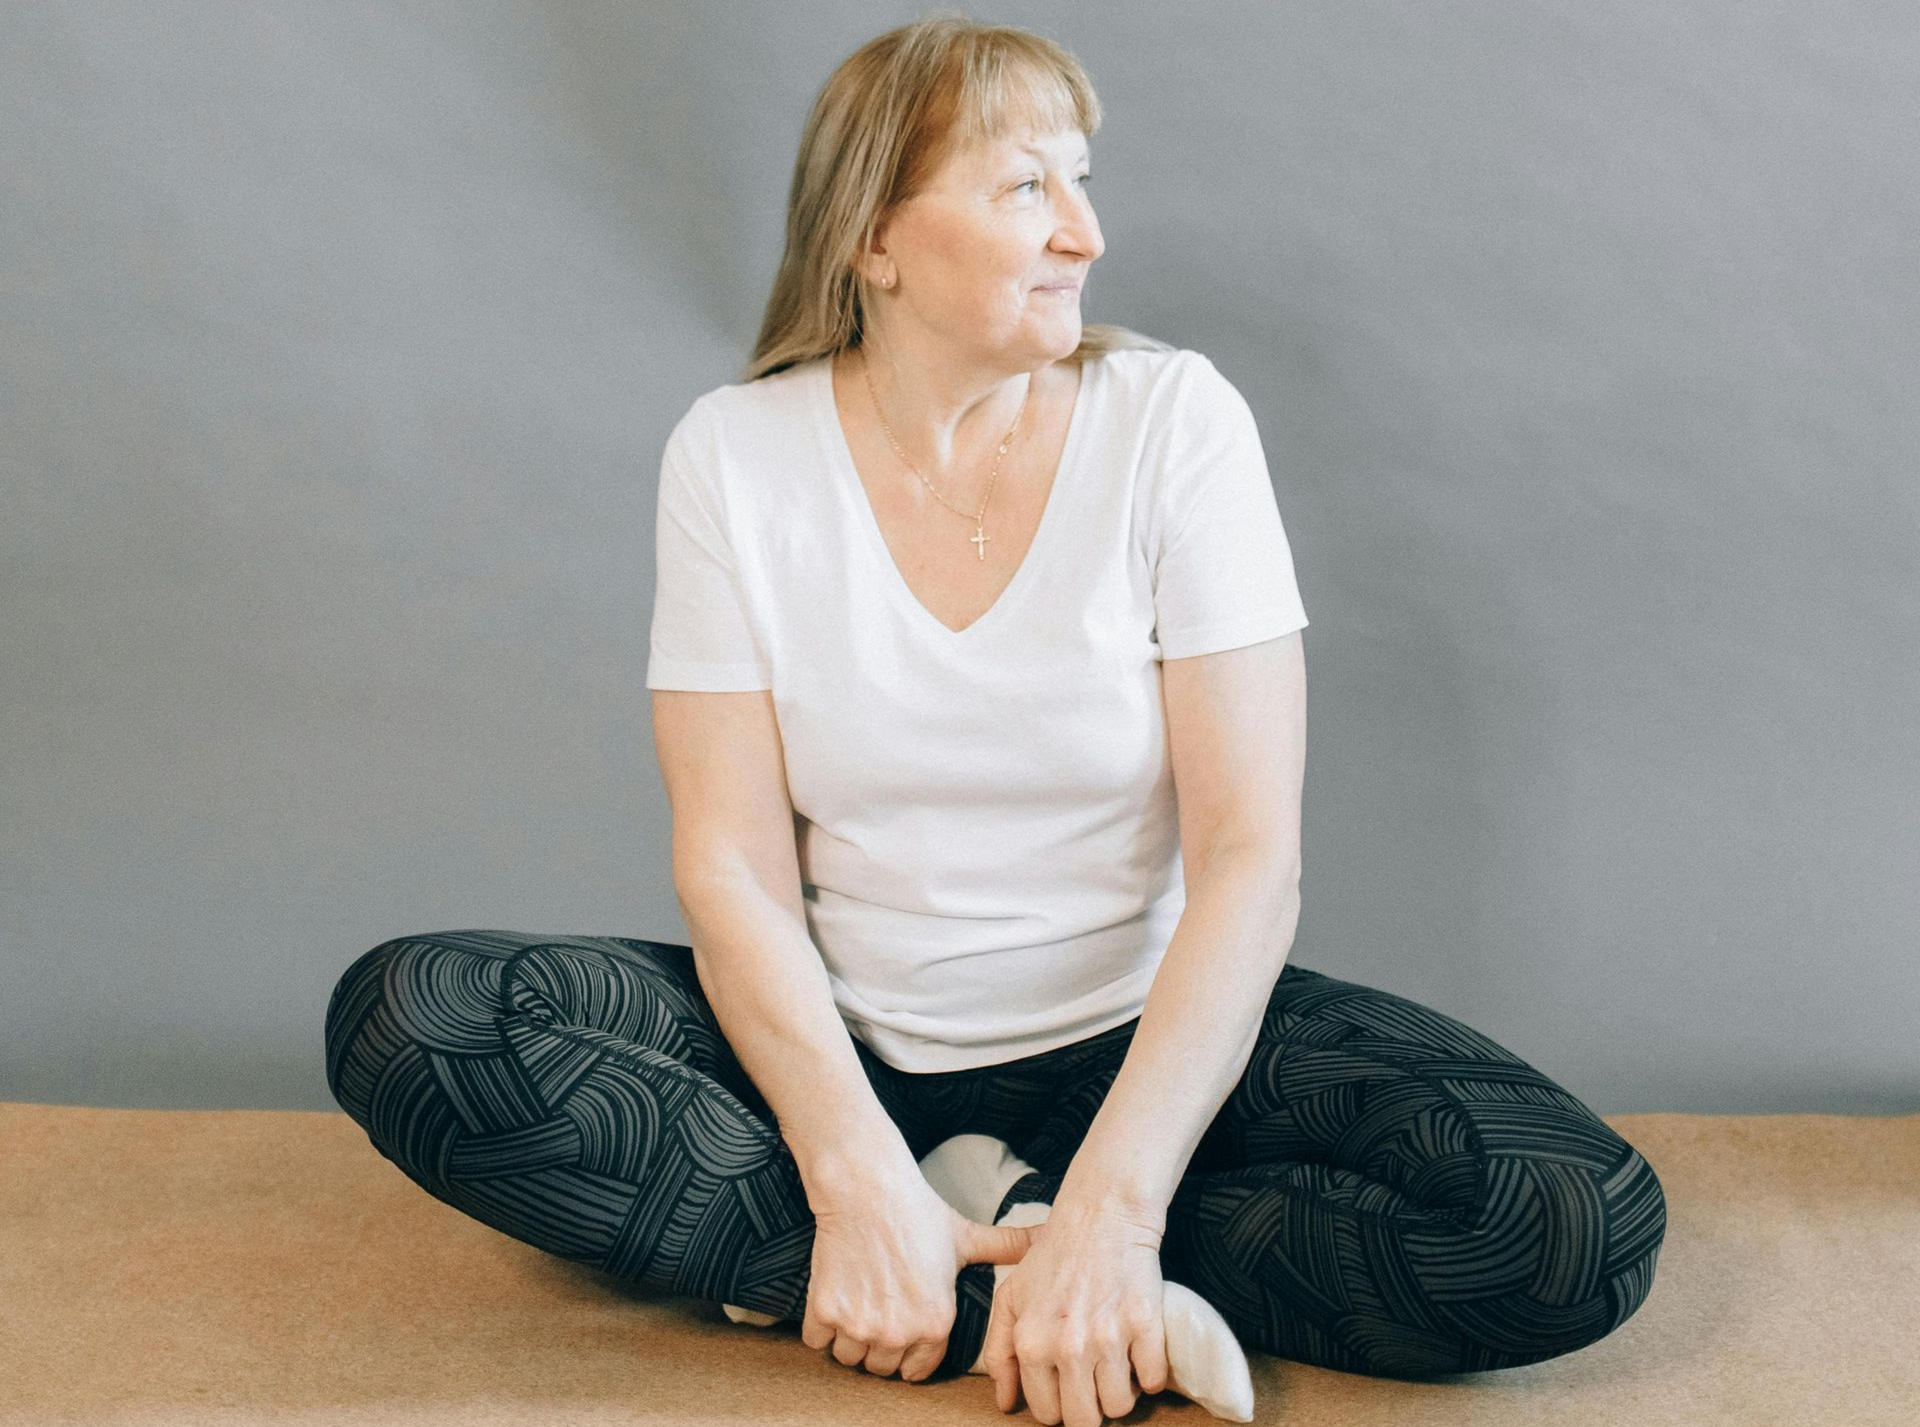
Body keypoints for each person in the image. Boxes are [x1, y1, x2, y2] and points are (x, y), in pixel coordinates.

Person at [322, 16, 1666, 1427]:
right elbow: (730, 869)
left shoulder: (1173, 424)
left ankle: (1031, 1255)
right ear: (875, 239)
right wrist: (847, 1171)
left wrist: (1120, 1212)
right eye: (1026, 187)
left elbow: (1250, 853)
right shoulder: (736, 456)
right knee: (414, 1017)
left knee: (1572, 1221)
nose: (1083, 234)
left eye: (1081, 184)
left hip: (1146, 1050)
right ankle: (956, 1273)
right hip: (843, 1061)